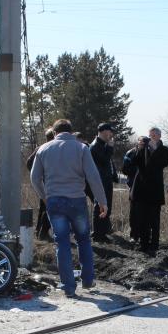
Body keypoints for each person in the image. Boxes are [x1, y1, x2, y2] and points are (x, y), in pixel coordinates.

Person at [29, 119, 108, 298]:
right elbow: (93, 177)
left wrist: (45, 196)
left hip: (55, 202)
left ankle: (68, 287)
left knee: (62, 242)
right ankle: (88, 280)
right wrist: (102, 201)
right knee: (83, 240)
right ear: (71, 132)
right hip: (77, 200)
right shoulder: (81, 148)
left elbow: (34, 179)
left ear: (55, 133)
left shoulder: (43, 149)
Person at [123, 126, 168, 254]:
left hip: (155, 190)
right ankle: (144, 244)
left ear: (159, 136)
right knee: (142, 219)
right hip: (141, 190)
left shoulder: (165, 150)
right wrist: (139, 149)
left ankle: (154, 244)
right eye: (150, 135)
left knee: (154, 220)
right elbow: (134, 163)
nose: (152, 138)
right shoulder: (143, 149)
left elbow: (162, 163)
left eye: (154, 135)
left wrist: (154, 150)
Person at [89, 122, 118, 242]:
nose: (111, 134)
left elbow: (108, 163)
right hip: (100, 181)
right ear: (104, 131)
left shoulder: (103, 144)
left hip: (106, 180)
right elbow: (104, 160)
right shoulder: (95, 146)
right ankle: (98, 234)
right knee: (100, 206)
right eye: (110, 131)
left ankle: (102, 233)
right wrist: (110, 147)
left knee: (106, 206)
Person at [26, 127, 56, 240]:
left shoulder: (41, 148)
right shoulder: (44, 149)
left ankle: (39, 231)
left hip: (43, 182)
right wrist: (40, 174)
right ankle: (42, 232)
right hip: (46, 182)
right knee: (47, 207)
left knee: (43, 207)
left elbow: (28, 163)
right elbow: (29, 163)